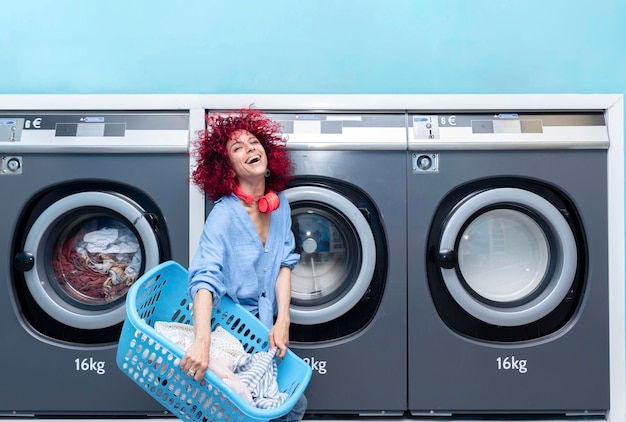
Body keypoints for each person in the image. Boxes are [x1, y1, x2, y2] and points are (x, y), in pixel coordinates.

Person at [180, 107, 307, 421]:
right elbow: (204, 279)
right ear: (229, 169)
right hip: (230, 329)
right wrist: (202, 342)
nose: (250, 148)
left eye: (253, 142)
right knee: (262, 409)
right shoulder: (224, 216)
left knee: (291, 405)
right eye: (238, 148)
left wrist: (283, 320)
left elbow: (284, 265)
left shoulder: (281, 207)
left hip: (264, 333)